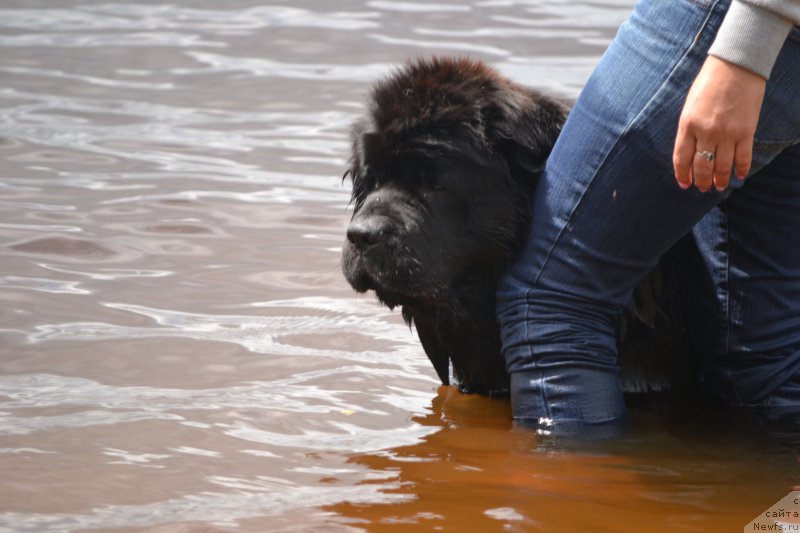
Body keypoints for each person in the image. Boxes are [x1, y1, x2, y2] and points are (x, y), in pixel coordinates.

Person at [496, 0, 800, 438]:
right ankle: (774, 508)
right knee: (757, 351)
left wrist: (744, 50)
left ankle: (571, 507)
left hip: (743, 20)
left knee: (551, 302)